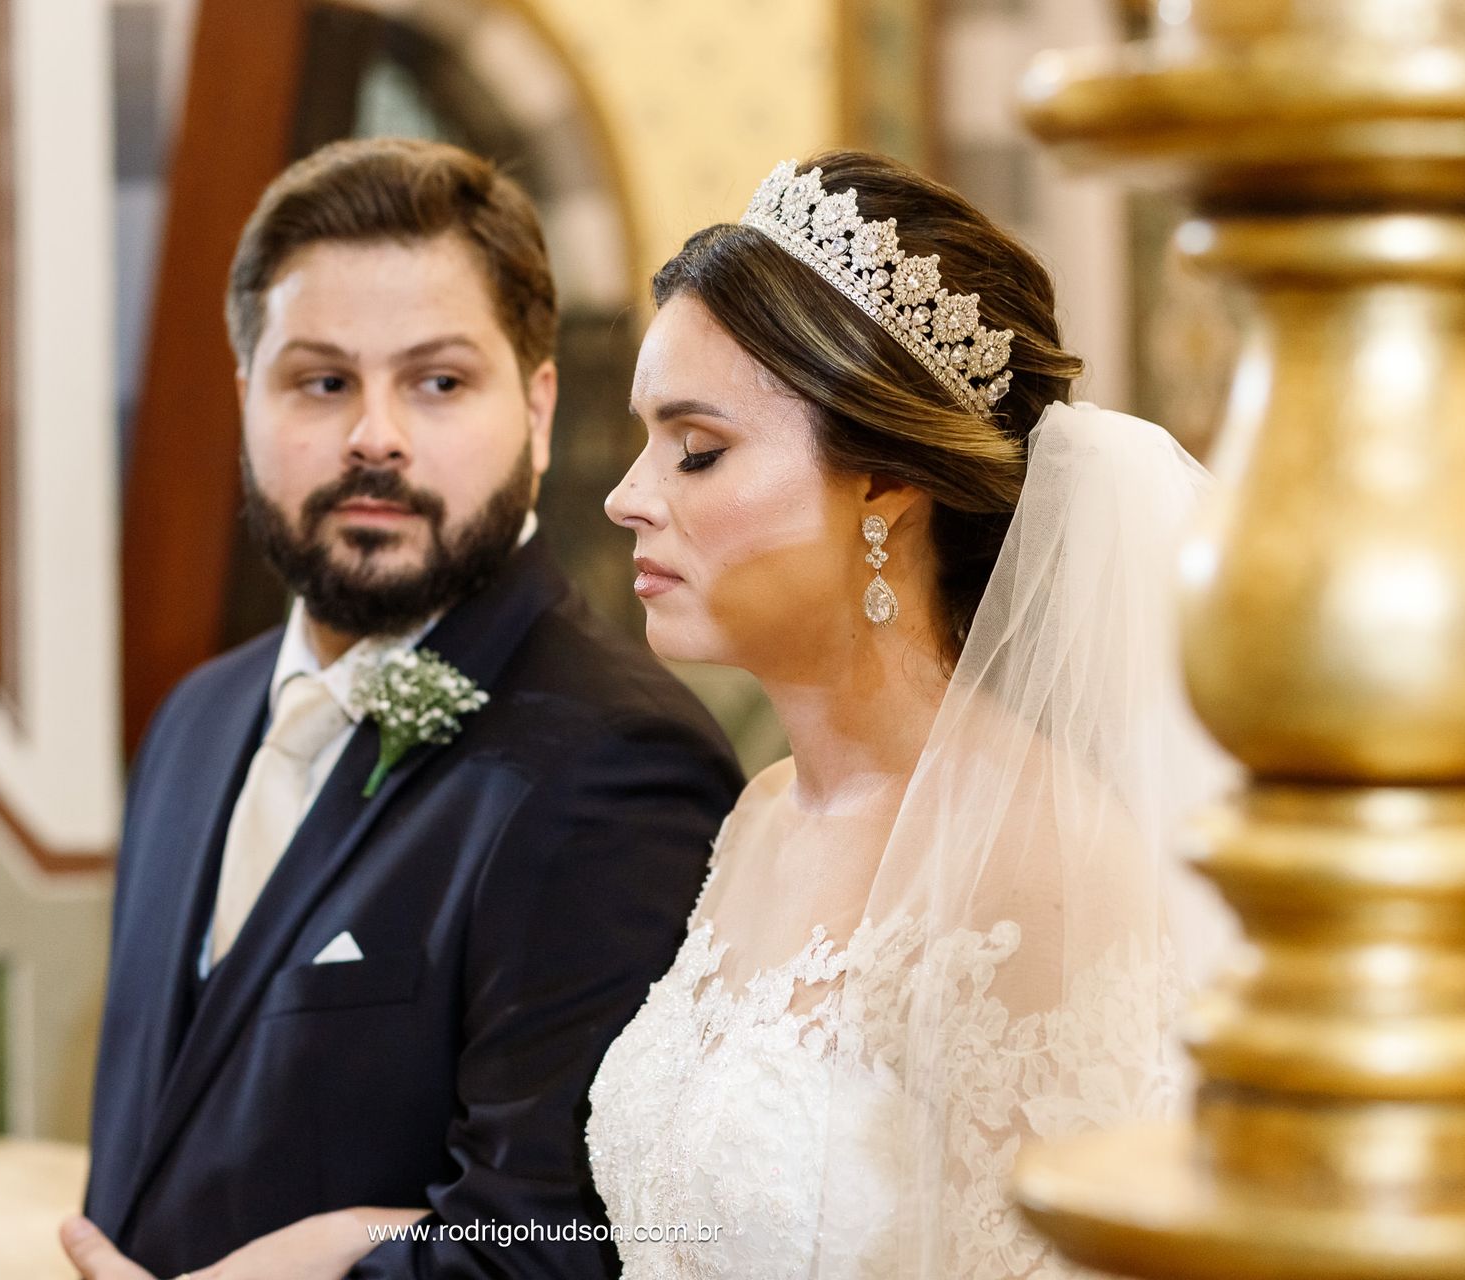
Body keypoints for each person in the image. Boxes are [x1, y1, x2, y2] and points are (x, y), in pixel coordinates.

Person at [64, 138, 743, 1280]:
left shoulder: (619, 763)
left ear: (536, 407)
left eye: (437, 381)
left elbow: (556, 1247)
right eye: (321, 381)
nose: (373, 434)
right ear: (245, 399)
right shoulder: (192, 722)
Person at [586, 152, 1234, 1278]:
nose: (628, 495)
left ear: (884, 480)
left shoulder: (1039, 861)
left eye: (697, 449)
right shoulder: (761, 814)